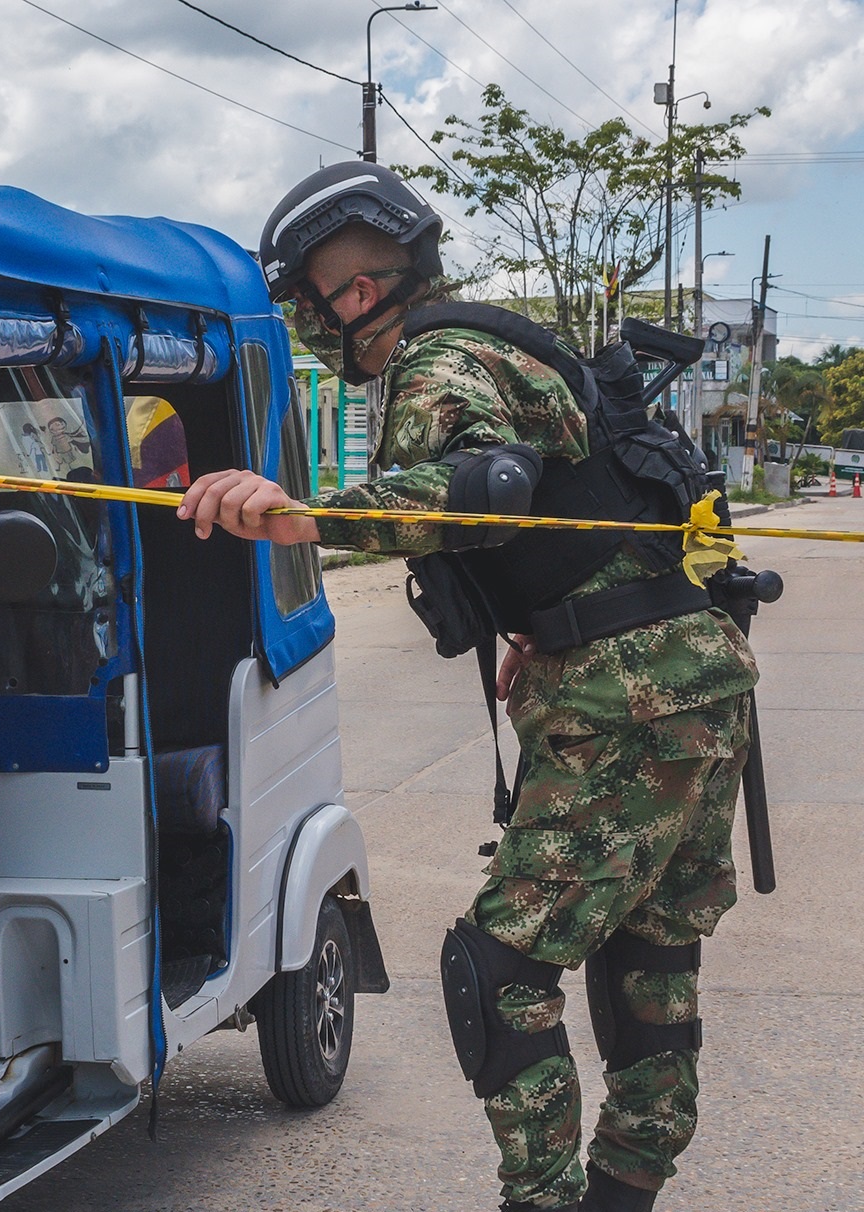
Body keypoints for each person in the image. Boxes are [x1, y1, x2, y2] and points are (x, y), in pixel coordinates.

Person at [178, 162, 758, 1212]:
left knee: (498, 970)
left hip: (623, 703)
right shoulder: (497, 341)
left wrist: (297, 513)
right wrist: (541, 625)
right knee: (647, 970)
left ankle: (538, 1200)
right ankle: (623, 1194)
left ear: (353, 295)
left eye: (309, 300)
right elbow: (560, 517)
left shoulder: (437, 357)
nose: (309, 321)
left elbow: (486, 486)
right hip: (684, 679)